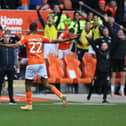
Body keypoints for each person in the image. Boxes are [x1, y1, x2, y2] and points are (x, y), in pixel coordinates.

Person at [0, 23, 76, 110]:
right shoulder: (41, 37)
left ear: (30, 29)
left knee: (27, 84)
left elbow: (15, 45)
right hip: (41, 63)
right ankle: (61, 95)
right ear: (36, 29)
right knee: (46, 83)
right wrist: (67, 40)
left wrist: (3, 45)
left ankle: (29, 105)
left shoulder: (27, 38)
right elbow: (55, 41)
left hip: (32, 63)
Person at [86, 34, 111, 103]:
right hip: (98, 71)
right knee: (94, 83)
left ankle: (104, 98)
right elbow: (93, 44)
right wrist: (88, 39)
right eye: (102, 46)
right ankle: (89, 95)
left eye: (105, 46)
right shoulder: (98, 51)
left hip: (106, 71)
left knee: (106, 84)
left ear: (107, 46)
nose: (104, 47)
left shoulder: (109, 52)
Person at [0, 30, 20, 104]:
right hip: (2, 67)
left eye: (8, 37)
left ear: (10, 37)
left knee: (10, 84)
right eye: (5, 37)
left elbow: (16, 57)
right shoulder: (0, 45)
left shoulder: (13, 46)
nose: (6, 39)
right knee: (0, 83)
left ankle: (11, 99)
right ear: (3, 37)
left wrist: (16, 66)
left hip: (11, 67)